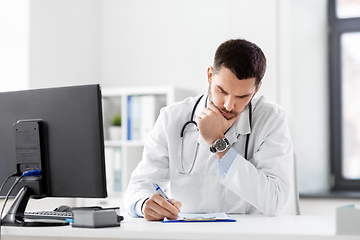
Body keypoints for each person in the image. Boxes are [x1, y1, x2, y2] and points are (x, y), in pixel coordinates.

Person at [124, 38, 294, 221]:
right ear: (210, 75)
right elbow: (139, 186)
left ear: (257, 89)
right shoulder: (172, 118)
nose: (229, 105)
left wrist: (219, 143)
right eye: (222, 90)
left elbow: (274, 201)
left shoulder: (271, 119)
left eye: (242, 96)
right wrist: (143, 204)